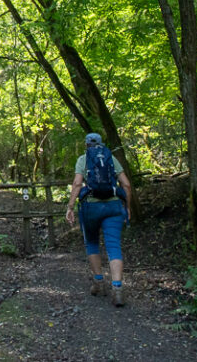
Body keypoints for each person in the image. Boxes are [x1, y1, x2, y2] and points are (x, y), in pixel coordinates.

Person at [65, 132, 132, 307]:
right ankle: (117, 289)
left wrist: (70, 207)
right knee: (113, 245)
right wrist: (128, 207)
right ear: (101, 144)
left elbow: (77, 183)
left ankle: (99, 282)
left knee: (92, 242)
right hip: (113, 206)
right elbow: (126, 184)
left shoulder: (83, 159)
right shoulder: (111, 158)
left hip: (91, 207)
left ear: (86, 144)